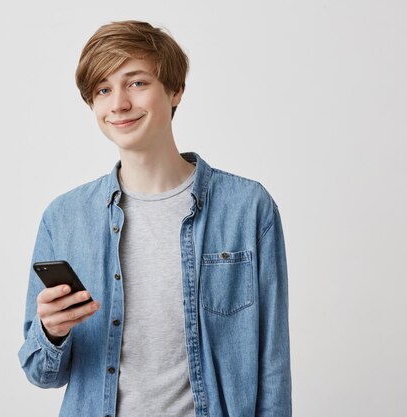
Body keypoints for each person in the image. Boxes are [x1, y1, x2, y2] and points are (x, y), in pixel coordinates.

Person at [19, 20, 292, 417]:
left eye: (137, 83)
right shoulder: (64, 218)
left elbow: (272, 365)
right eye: (103, 90)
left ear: (176, 89)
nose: (118, 105)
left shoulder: (247, 207)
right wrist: (52, 332)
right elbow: (41, 373)